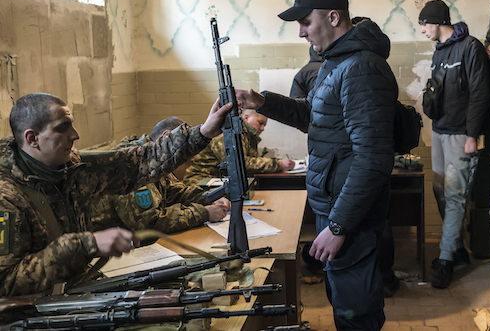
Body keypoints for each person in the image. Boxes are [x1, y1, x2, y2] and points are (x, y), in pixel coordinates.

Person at [236, 0, 397, 330]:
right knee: (344, 305)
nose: (301, 33)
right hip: (338, 209)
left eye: (306, 22)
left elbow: (373, 157)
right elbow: (314, 116)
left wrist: (338, 226)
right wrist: (262, 102)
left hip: (349, 219)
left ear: (334, 18)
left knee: (357, 314)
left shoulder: (361, 68)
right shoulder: (335, 63)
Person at [0, 92, 231, 296]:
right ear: (32, 138)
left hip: (76, 290)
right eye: (63, 127)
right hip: (32, 311)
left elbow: (138, 163)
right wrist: (85, 245)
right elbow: (6, 282)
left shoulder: (72, 167)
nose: (76, 134)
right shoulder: (6, 195)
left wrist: (202, 133)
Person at [418, 0, 490, 288]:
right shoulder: (439, 51)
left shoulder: (470, 47)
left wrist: (472, 136)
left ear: (436, 22)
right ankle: (458, 249)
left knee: (455, 194)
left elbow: (480, 94)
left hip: (462, 134)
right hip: (439, 130)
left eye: (424, 24)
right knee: (441, 191)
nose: (423, 29)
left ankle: (446, 260)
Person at [91, 117, 231, 234]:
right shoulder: (133, 163)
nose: (189, 157)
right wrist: (203, 213)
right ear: (166, 137)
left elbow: (175, 193)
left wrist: (209, 198)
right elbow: (148, 222)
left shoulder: (156, 160)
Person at [183, 109, 295, 186]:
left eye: (264, 125)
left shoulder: (247, 135)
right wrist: (278, 164)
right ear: (246, 117)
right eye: (260, 123)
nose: (262, 128)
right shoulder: (229, 132)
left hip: (219, 181)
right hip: (202, 182)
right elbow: (238, 163)